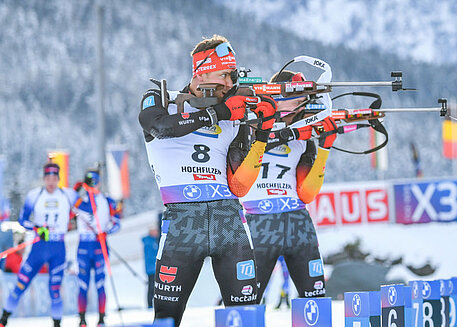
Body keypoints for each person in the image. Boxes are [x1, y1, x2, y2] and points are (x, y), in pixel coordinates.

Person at [139, 34, 277, 326]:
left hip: (229, 221)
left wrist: (262, 133)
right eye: (225, 74)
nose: (230, 83)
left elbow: (239, 185)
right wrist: (218, 113)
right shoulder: (161, 99)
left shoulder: (234, 116)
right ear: (202, 72)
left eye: (233, 76)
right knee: (166, 318)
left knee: (248, 316)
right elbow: (161, 127)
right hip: (182, 223)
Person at [240, 70, 337, 303]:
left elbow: (307, 193)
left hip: (297, 222)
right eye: (299, 98)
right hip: (259, 222)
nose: (304, 105)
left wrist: (324, 148)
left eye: (306, 100)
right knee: (246, 302)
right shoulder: (247, 125)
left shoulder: (304, 139)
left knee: (315, 301)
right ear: (279, 97)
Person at [0, 162, 77, 327]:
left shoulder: (68, 194)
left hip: (58, 249)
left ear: (58, 179)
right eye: (48, 178)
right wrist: (37, 228)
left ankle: (57, 324)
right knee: (20, 284)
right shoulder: (35, 195)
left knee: (55, 290)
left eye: (54, 178)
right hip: (39, 247)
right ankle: (3, 319)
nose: (51, 182)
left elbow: (87, 208)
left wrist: (83, 186)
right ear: (44, 178)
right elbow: (23, 220)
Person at [73, 168, 121, 327]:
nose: (93, 184)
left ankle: (101, 318)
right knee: (83, 284)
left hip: (100, 245)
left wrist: (106, 232)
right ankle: (82, 318)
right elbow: (69, 212)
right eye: (89, 181)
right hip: (84, 246)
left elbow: (117, 223)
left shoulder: (107, 200)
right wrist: (76, 190)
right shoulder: (80, 200)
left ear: (100, 182)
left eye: (95, 181)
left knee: (100, 283)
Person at [142, 224, 159, 309]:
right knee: (151, 287)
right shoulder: (149, 242)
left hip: (154, 267)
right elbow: (150, 255)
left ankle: (152, 304)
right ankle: (149, 304)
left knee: (155, 287)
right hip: (151, 268)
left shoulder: (155, 240)